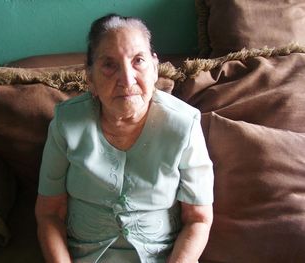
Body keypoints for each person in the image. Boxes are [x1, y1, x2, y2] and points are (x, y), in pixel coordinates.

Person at [35, 13, 214, 263]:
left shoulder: (184, 125)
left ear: (154, 68)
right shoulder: (66, 124)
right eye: (109, 65)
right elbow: (49, 213)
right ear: (91, 79)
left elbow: (198, 218)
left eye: (138, 60)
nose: (127, 79)